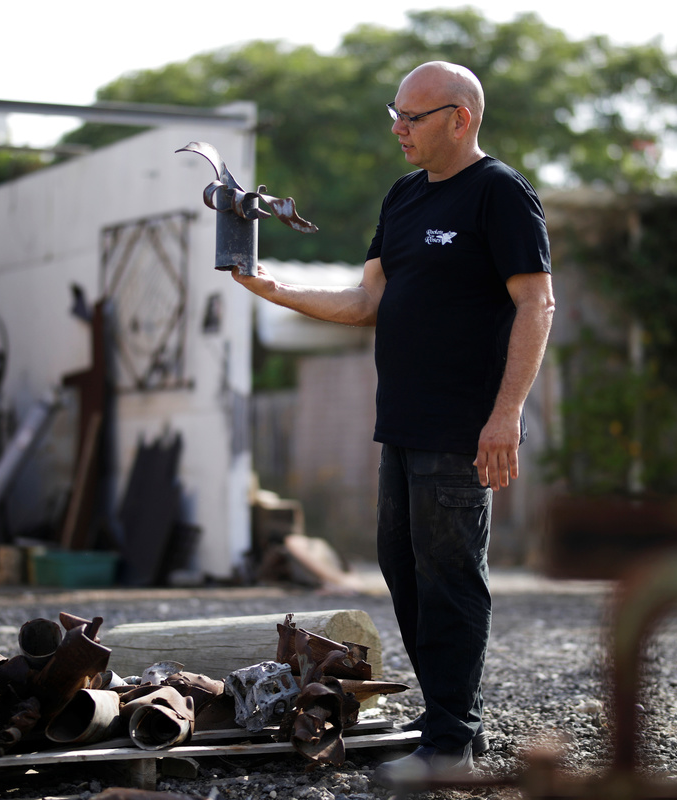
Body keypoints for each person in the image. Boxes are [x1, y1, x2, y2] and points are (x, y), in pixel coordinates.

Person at [232, 61, 554, 785]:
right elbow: (366, 301)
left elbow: (537, 304)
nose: (398, 129)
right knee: (403, 571)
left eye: (412, 117)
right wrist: (273, 290)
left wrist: (505, 415)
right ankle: (447, 719)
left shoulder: (499, 192)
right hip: (402, 425)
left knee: (451, 580)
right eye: (395, 114)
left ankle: (452, 740)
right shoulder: (404, 196)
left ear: (459, 119)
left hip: (462, 428)